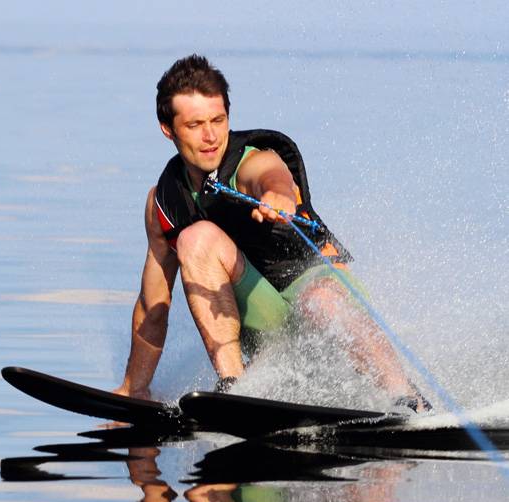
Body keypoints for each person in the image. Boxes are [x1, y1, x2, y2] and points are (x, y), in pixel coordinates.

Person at [114, 54, 430, 412]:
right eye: (195, 124)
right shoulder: (164, 204)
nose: (210, 136)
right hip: (268, 325)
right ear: (167, 129)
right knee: (195, 238)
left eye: (218, 120)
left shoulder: (250, 160)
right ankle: (235, 390)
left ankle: (407, 398)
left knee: (319, 298)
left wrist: (278, 195)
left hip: (329, 313)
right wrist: (132, 390)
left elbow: (272, 174)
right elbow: (152, 306)